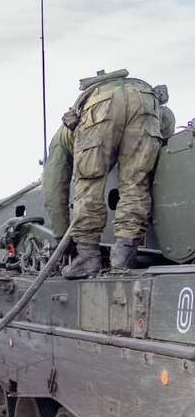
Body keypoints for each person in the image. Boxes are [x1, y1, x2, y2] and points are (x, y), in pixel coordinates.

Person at [43, 70, 173, 278]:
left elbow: (53, 190)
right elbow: (166, 127)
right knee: (136, 183)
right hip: (146, 99)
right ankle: (123, 259)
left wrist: (61, 238)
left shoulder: (60, 138)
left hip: (101, 104)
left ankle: (87, 259)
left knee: (89, 183)